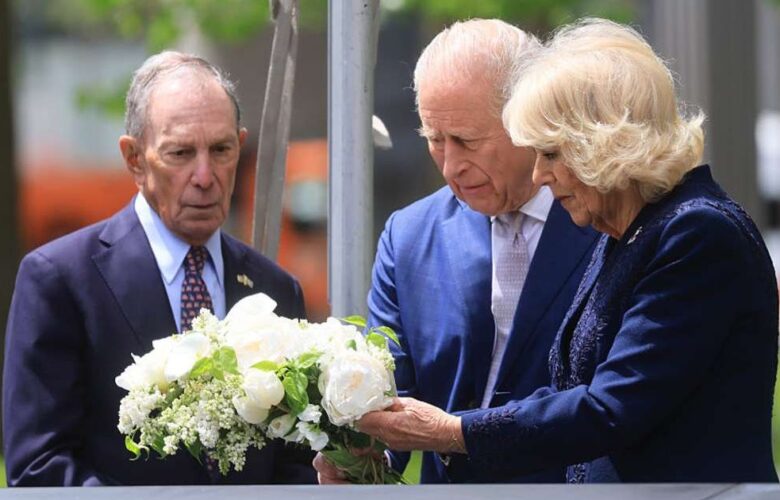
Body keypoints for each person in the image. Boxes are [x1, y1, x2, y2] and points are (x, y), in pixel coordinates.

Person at [354, 18, 779, 483]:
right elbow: (569, 392)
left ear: (608, 141)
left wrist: (453, 432)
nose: (539, 175)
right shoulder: (626, 232)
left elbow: (611, 406)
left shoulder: (695, 232)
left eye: (551, 153)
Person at [3, 51, 315, 486]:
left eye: (221, 150)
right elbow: (40, 468)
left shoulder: (275, 290)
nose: (205, 176)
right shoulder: (60, 281)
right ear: (134, 158)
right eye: (181, 153)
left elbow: (297, 462)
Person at [315, 19, 598, 484]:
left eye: (466, 141)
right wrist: (359, 461)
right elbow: (387, 395)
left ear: (530, 117)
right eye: (434, 140)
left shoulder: (605, 219)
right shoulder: (409, 236)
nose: (450, 166)